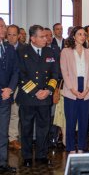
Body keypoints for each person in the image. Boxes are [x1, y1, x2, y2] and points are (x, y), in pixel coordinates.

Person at [16, 25, 59, 167]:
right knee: (26, 128)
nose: (45, 39)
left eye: (46, 36)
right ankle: (27, 156)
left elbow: (55, 74)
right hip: (28, 98)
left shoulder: (50, 52)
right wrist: (35, 91)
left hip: (45, 97)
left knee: (43, 128)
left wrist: (48, 90)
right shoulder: (22, 51)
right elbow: (21, 75)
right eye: (41, 37)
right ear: (32, 38)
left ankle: (41, 155)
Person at [60, 26, 89, 154]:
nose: (83, 36)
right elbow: (64, 72)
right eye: (79, 34)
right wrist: (73, 90)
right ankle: (70, 147)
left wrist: (87, 89)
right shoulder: (66, 51)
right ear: (73, 36)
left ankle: (81, 146)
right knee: (70, 120)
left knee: (83, 120)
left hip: (86, 88)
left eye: (84, 34)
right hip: (71, 89)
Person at [0, 17, 18, 173]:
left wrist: (10, 89)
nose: (3, 29)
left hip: (5, 97)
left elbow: (15, 71)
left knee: (3, 131)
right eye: (0, 26)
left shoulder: (10, 48)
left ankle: (2, 163)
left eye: (4, 26)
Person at [6, 24, 25, 150]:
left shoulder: (24, 49)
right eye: (9, 35)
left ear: (18, 36)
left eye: (14, 35)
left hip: (19, 86)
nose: (11, 38)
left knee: (14, 112)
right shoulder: (4, 48)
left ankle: (12, 138)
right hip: (4, 86)